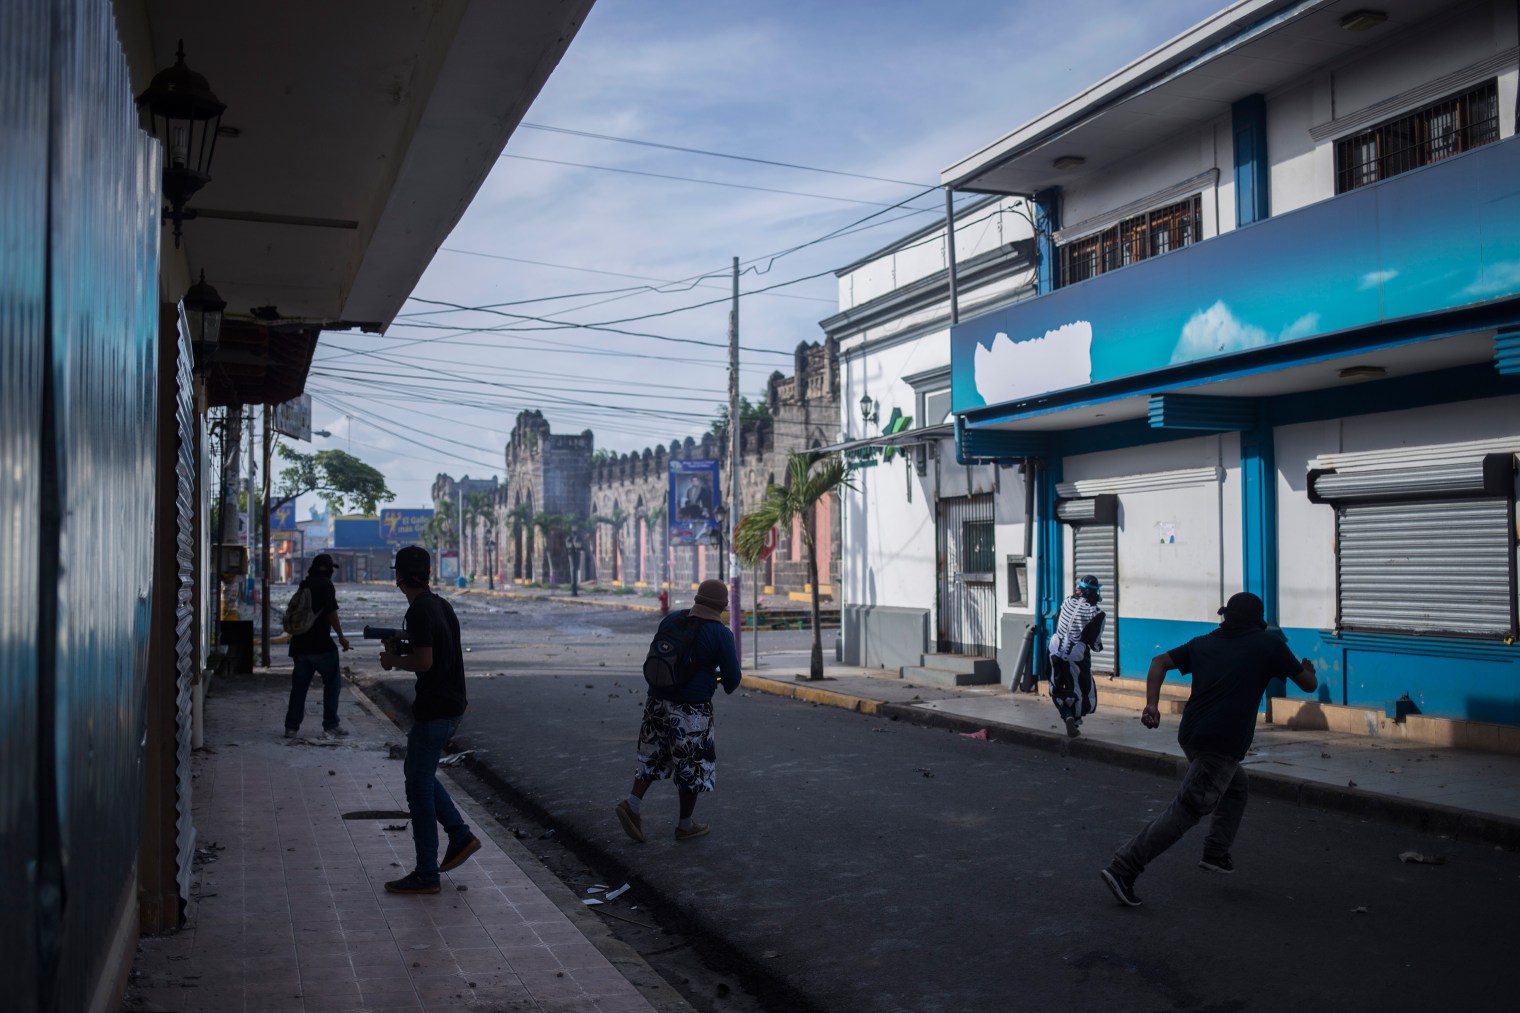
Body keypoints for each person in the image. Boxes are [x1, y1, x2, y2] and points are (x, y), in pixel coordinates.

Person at [1100, 592, 1317, 907]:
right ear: (1258, 622)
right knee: (1188, 809)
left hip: (1192, 735)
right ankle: (1124, 867)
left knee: (1235, 786)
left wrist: (1151, 704)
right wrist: (1308, 669)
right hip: (1222, 741)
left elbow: (1158, 662)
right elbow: (1308, 685)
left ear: (1225, 616)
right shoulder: (1268, 645)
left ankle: (1216, 852)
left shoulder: (1203, 643)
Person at [378, 545, 480, 894]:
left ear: (400, 577)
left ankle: (427, 873)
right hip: (450, 706)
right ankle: (459, 834)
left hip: (435, 709)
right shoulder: (440, 605)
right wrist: (403, 645)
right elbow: (435, 650)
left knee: (417, 789)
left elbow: (424, 662)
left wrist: (393, 661)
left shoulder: (420, 610)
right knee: (417, 774)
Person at [615, 579, 741, 843]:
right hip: (691, 710)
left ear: (697, 600)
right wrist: (713, 676)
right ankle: (685, 825)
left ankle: (632, 804)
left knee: (653, 756)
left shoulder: (672, 620)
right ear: (722, 606)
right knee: (690, 766)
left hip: (656, 701)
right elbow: (732, 680)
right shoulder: (720, 634)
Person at [284, 554, 351, 738]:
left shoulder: (305, 584)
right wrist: (342, 637)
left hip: (300, 646)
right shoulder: (326, 586)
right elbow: (331, 613)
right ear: (328, 569)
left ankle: (291, 727)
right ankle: (331, 725)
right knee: (332, 684)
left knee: (299, 688)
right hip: (322, 646)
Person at [1048, 575, 1106, 738]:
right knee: (1080, 688)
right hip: (1076, 653)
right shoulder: (1097, 613)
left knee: (1055, 686)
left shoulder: (1067, 601)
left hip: (1055, 647)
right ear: (1094, 592)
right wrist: (1098, 647)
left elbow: (1060, 621)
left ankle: (1066, 714)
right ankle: (1075, 718)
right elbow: (1094, 642)